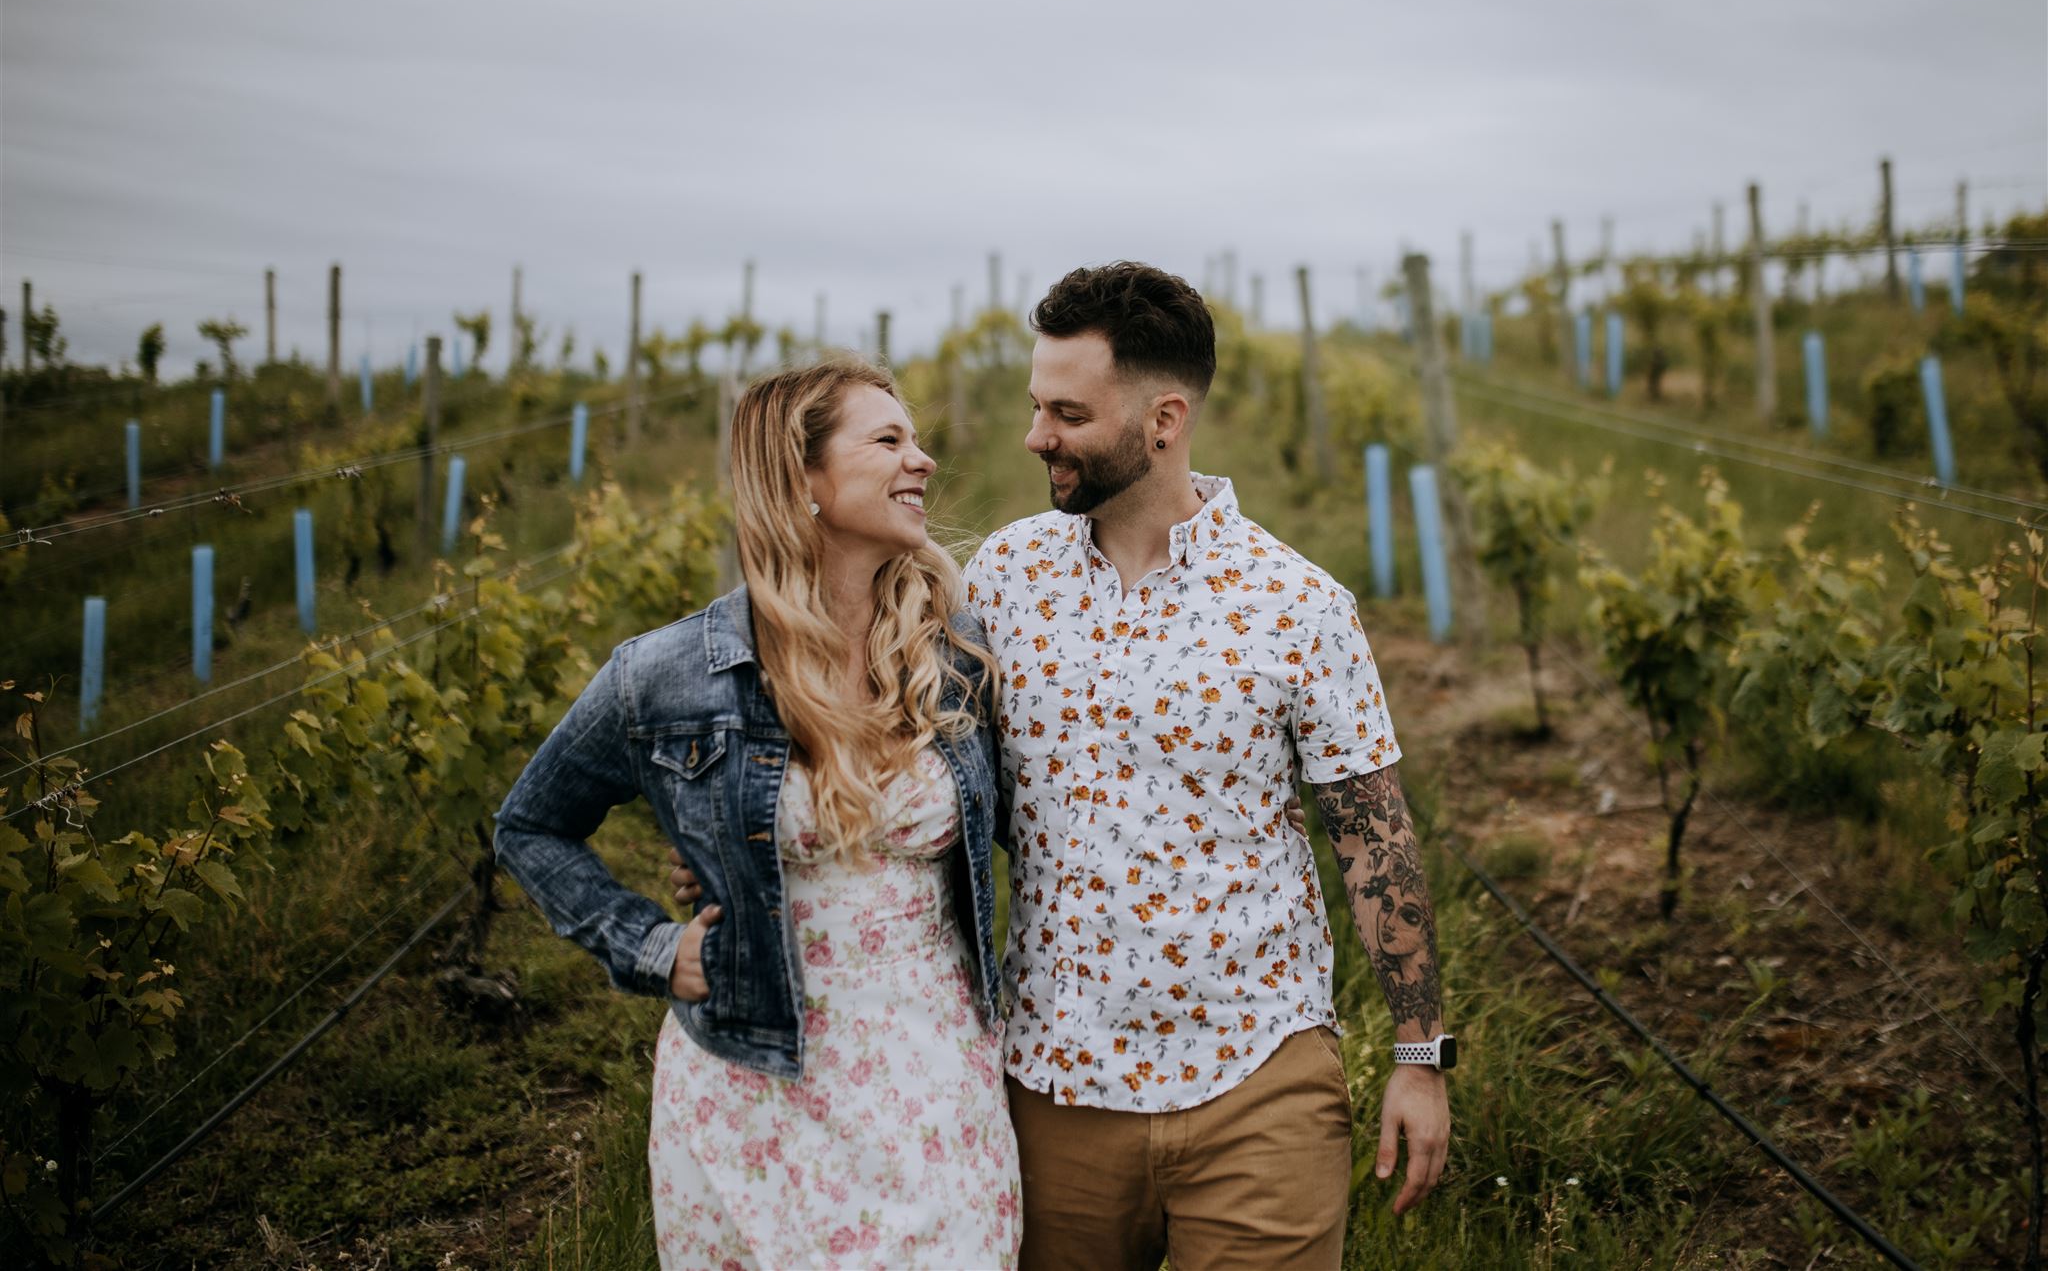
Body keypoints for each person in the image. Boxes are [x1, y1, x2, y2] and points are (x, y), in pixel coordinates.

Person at [674, 263, 1453, 1268]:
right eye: (1034, 403)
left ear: (1163, 420)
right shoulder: (995, 581)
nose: (1034, 434)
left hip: (1259, 1080)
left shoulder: (1298, 606)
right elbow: (889, 760)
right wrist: (727, 843)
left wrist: (1416, 1057)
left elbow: (1372, 836)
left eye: (1065, 412)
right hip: (1050, 1084)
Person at [494, 359, 1022, 1270]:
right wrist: (654, 948)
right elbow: (531, 826)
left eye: (917, 439)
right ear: (802, 478)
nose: (924, 460)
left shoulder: (955, 658)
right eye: (889, 440)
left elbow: (1025, 827)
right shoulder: (667, 676)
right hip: (757, 1086)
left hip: (937, 1078)